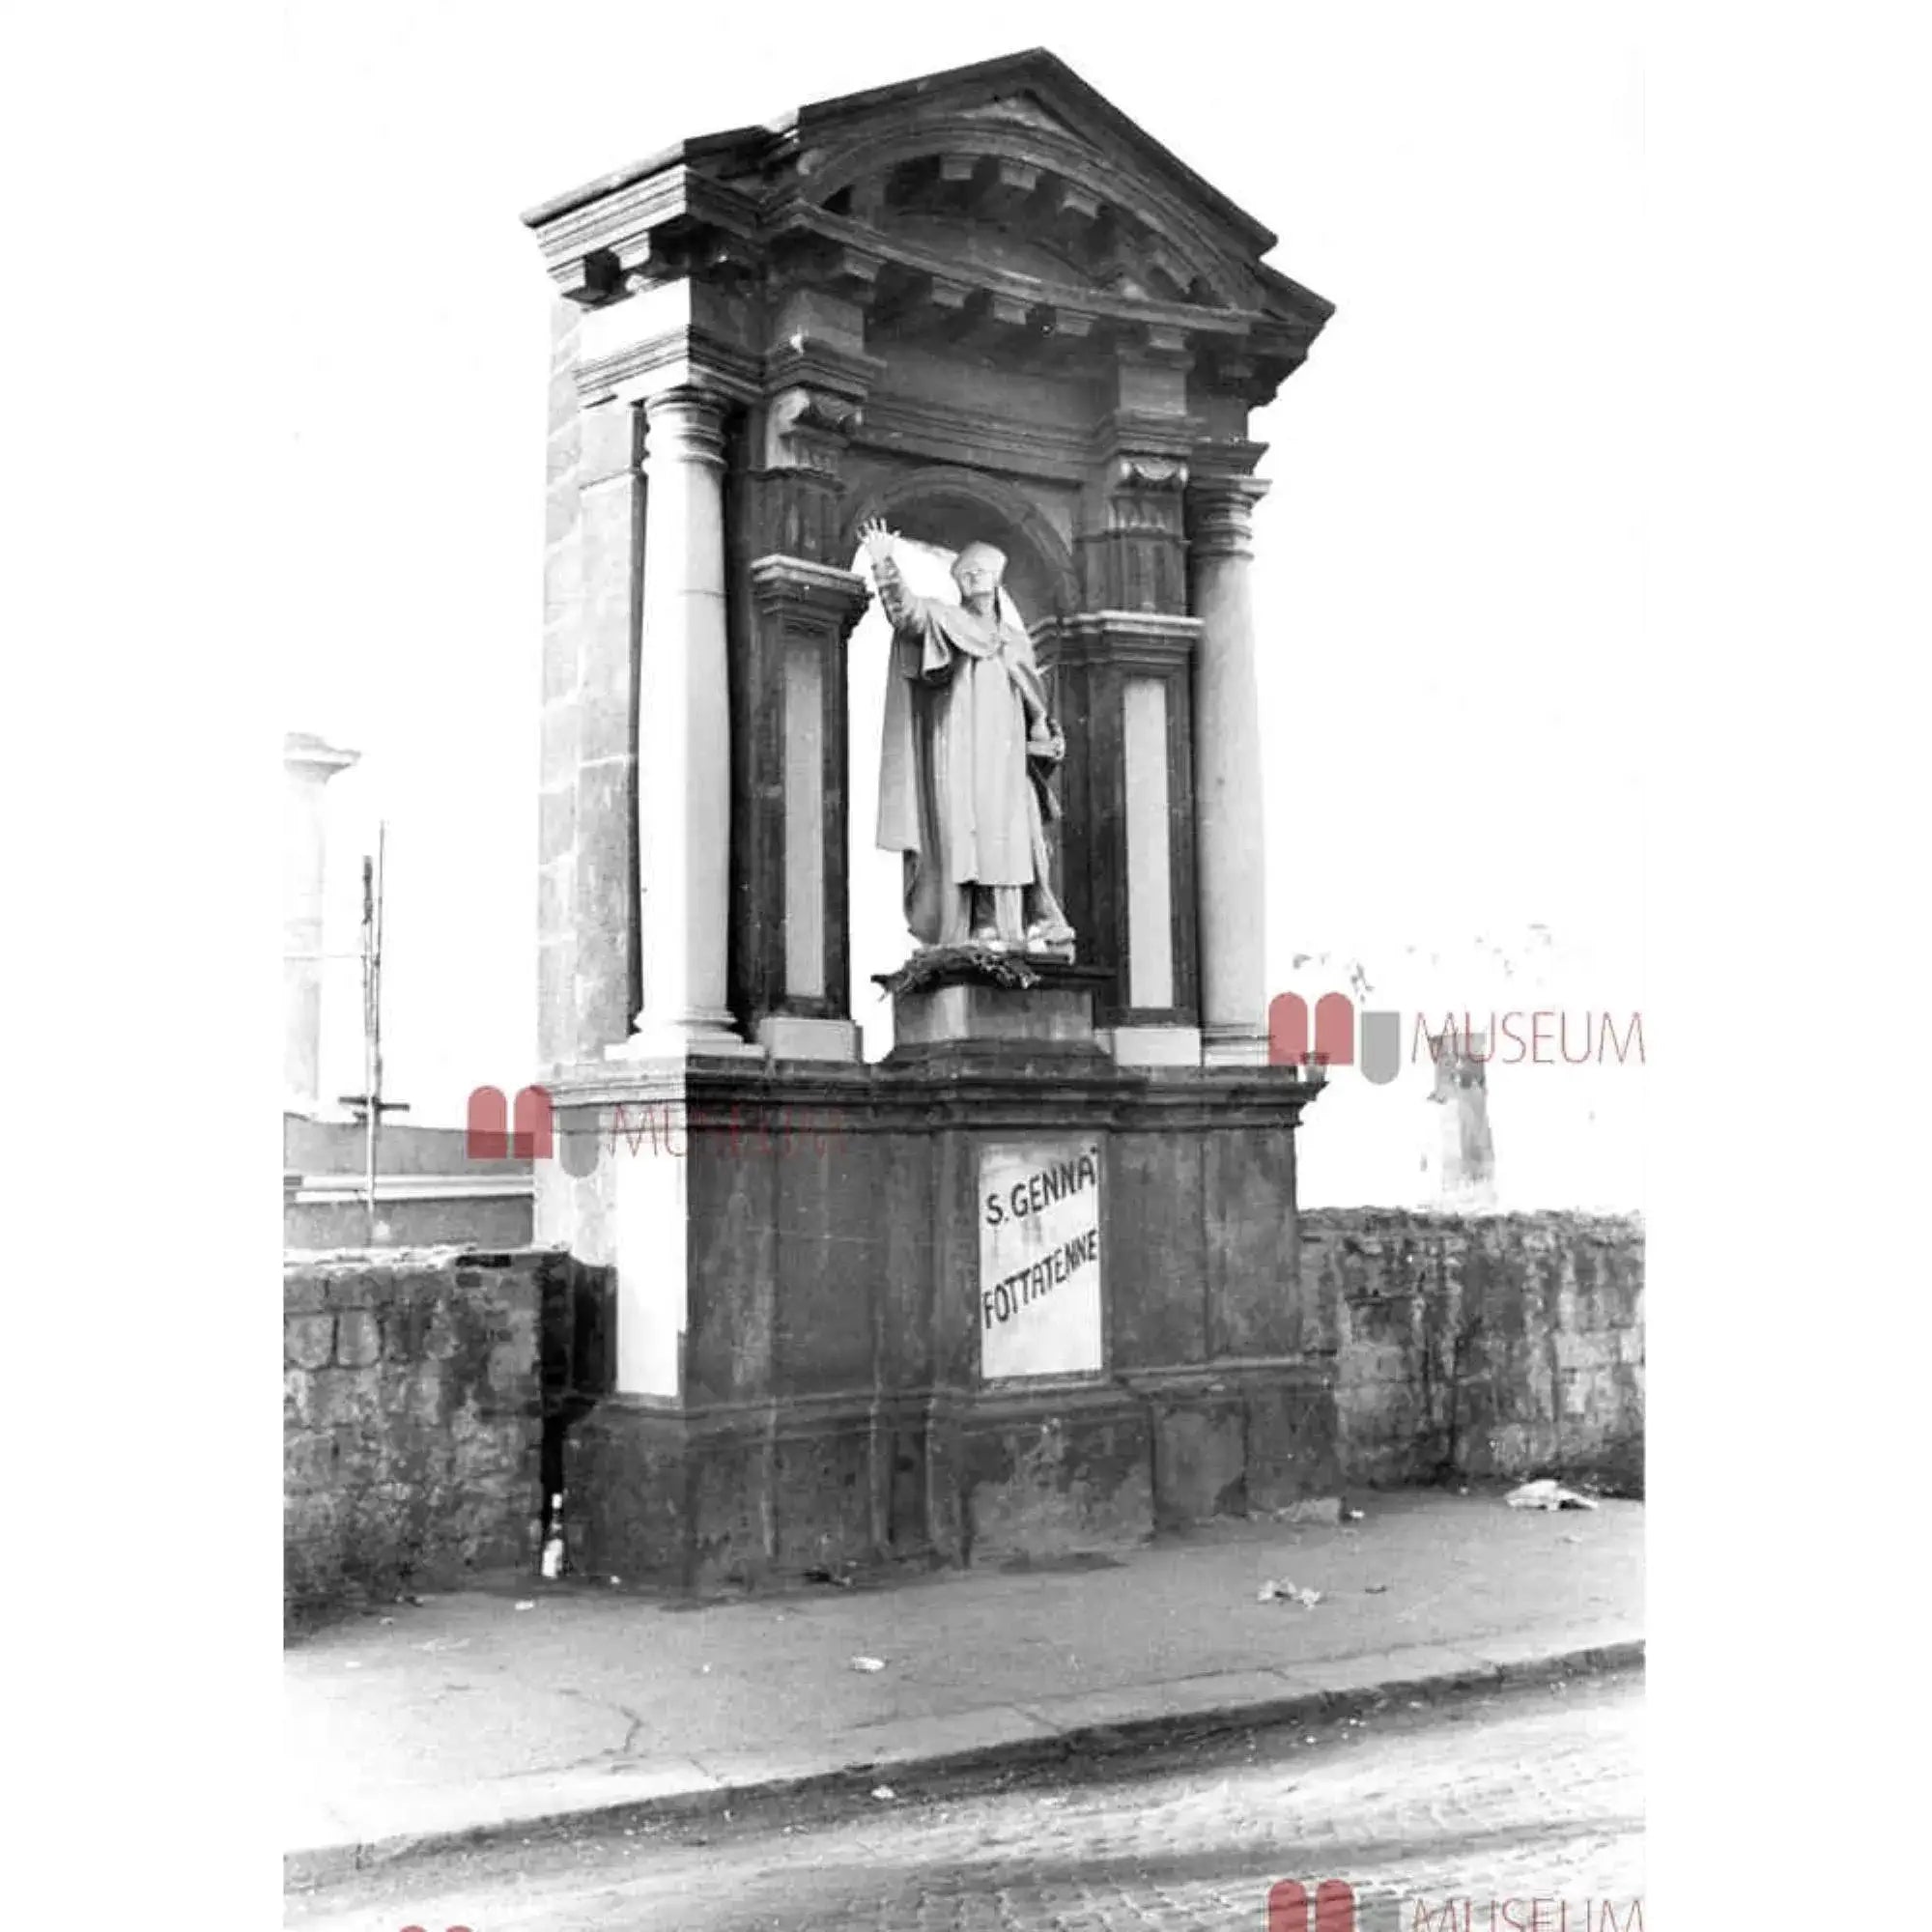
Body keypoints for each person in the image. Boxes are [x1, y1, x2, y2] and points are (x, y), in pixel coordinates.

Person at [862, 519, 1075, 954]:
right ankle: (978, 921)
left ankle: (1026, 921)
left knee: (1016, 837)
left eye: (982, 572)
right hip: (960, 750)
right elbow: (907, 615)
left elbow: (1034, 704)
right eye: (967, 574)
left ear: (997, 580)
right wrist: (885, 564)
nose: (974, 579)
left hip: (1008, 759)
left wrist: (1045, 736)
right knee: (967, 833)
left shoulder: (1015, 641)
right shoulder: (947, 619)